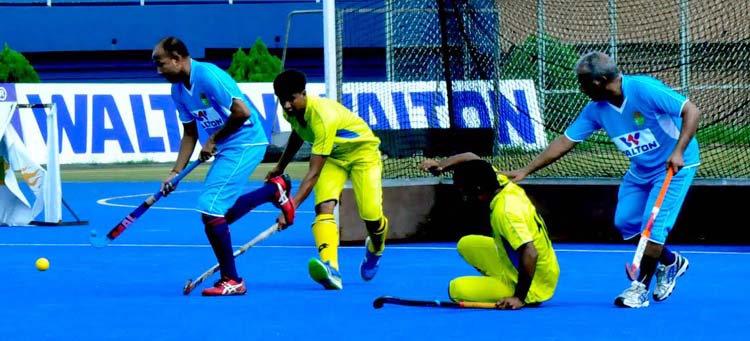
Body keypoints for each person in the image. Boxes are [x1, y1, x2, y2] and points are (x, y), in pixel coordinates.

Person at [505, 52, 700, 308]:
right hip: (641, 170)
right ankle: (670, 262)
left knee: (653, 228)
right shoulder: (596, 109)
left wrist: (677, 151)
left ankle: (638, 289)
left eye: (584, 83)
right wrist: (527, 170)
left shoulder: (643, 89)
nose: (580, 88)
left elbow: (691, 111)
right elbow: (566, 141)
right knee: (626, 224)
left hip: (673, 168)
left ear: (602, 80)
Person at [152, 36, 295, 296]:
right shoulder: (177, 91)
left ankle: (232, 280)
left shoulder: (207, 76)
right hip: (229, 146)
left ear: (177, 59)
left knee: (211, 207)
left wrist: (215, 139)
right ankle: (273, 191)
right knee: (219, 216)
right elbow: (189, 134)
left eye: (161, 64)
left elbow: (242, 112)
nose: (158, 71)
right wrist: (175, 173)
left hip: (246, 142)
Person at [268, 69, 389, 290]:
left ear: (304, 93)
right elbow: (298, 134)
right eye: (282, 100)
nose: (286, 105)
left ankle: (376, 248)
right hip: (334, 157)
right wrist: (280, 166)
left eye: (292, 99)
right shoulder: (291, 112)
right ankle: (331, 268)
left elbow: (313, 173)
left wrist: (290, 207)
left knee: (371, 215)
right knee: (324, 207)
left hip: (363, 154)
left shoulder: (322, 116)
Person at [419, 153, 560, 310]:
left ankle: (516, 291)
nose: (463, 195)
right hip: (534, 267)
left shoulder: (505, 212)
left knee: (456, 289)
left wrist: (519, 298)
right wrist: (442, 165)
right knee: (466, 244)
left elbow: (531, 253)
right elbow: (470, 157)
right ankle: (498, 281)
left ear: (478, 189)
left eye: (464, 191)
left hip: (535, 283)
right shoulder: (496, 180)